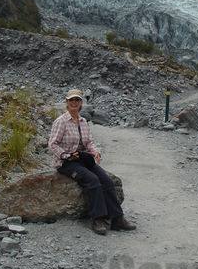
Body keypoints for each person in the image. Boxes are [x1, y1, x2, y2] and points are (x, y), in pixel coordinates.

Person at [48, 88, 136, 235]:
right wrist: (66, 155)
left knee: (107, 181)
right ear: (67, 102)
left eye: (77, 100)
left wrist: (95, 152)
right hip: (67, 162)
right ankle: (98, 219)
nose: (74, 102)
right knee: (92, 180)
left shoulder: (83, 121)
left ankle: (117, 218)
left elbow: (89, 142)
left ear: (81, 102)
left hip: (83, 159)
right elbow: (52, 144)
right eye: (71, 100)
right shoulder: (61, 121)